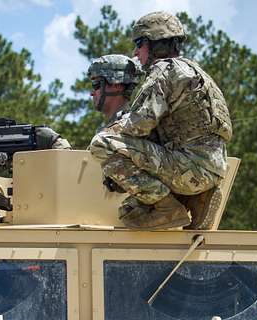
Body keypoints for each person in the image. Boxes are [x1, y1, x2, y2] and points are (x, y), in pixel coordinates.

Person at [88, 11, 232, 229]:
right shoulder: (196, 71)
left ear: (154, 42)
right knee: (130, 211)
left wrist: (114, 140)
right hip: (212, 168)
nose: (136, 52)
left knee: (102, 143)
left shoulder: (164, 70)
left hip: (188, 167)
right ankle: (195, 199)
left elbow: (138, 126)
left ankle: (168, 209)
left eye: (139, 43)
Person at [87, 54, 142, 129]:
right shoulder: (115, 129)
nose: (92, 93)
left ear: (116, 84)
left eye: (96, 84)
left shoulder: (134, 126)